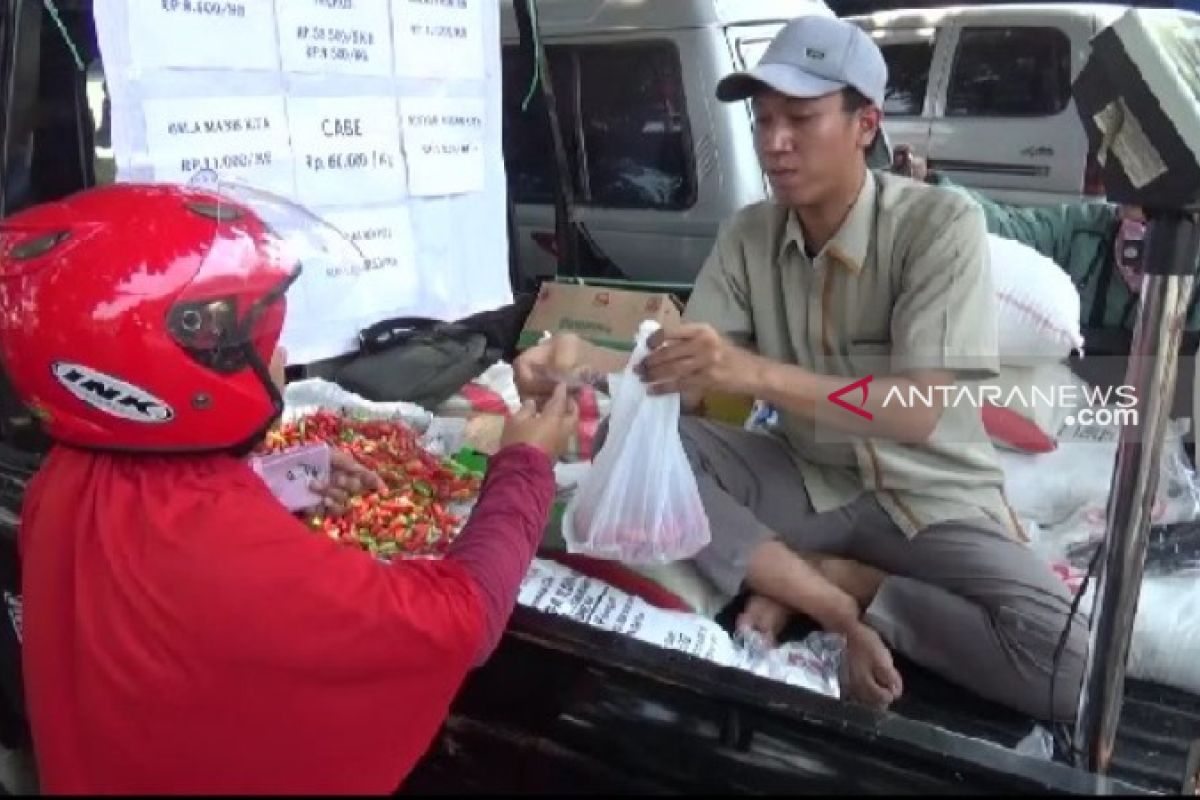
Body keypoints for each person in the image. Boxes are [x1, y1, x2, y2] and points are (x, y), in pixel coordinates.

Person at [515, 15, 1087, 721]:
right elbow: (684, 373)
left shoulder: (938, 227)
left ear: (865, 124)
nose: (774, 144)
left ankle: (843, 578)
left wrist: (754, 376)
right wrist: (578, 367)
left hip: (932, 496)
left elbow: (916, 410)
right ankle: (823, 597)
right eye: (763, 121)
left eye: (801, 119)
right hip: (804, 480)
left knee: (1062, 664)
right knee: (631, 439)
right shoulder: (749, 233)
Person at [0, 181, 577, 794]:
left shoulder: (65, 477)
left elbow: (164, 544)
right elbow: (463, 621)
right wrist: (525, 462)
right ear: (184, 376)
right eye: (265, 340)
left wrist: (276, 482)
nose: (282, 358)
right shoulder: (242, 565)